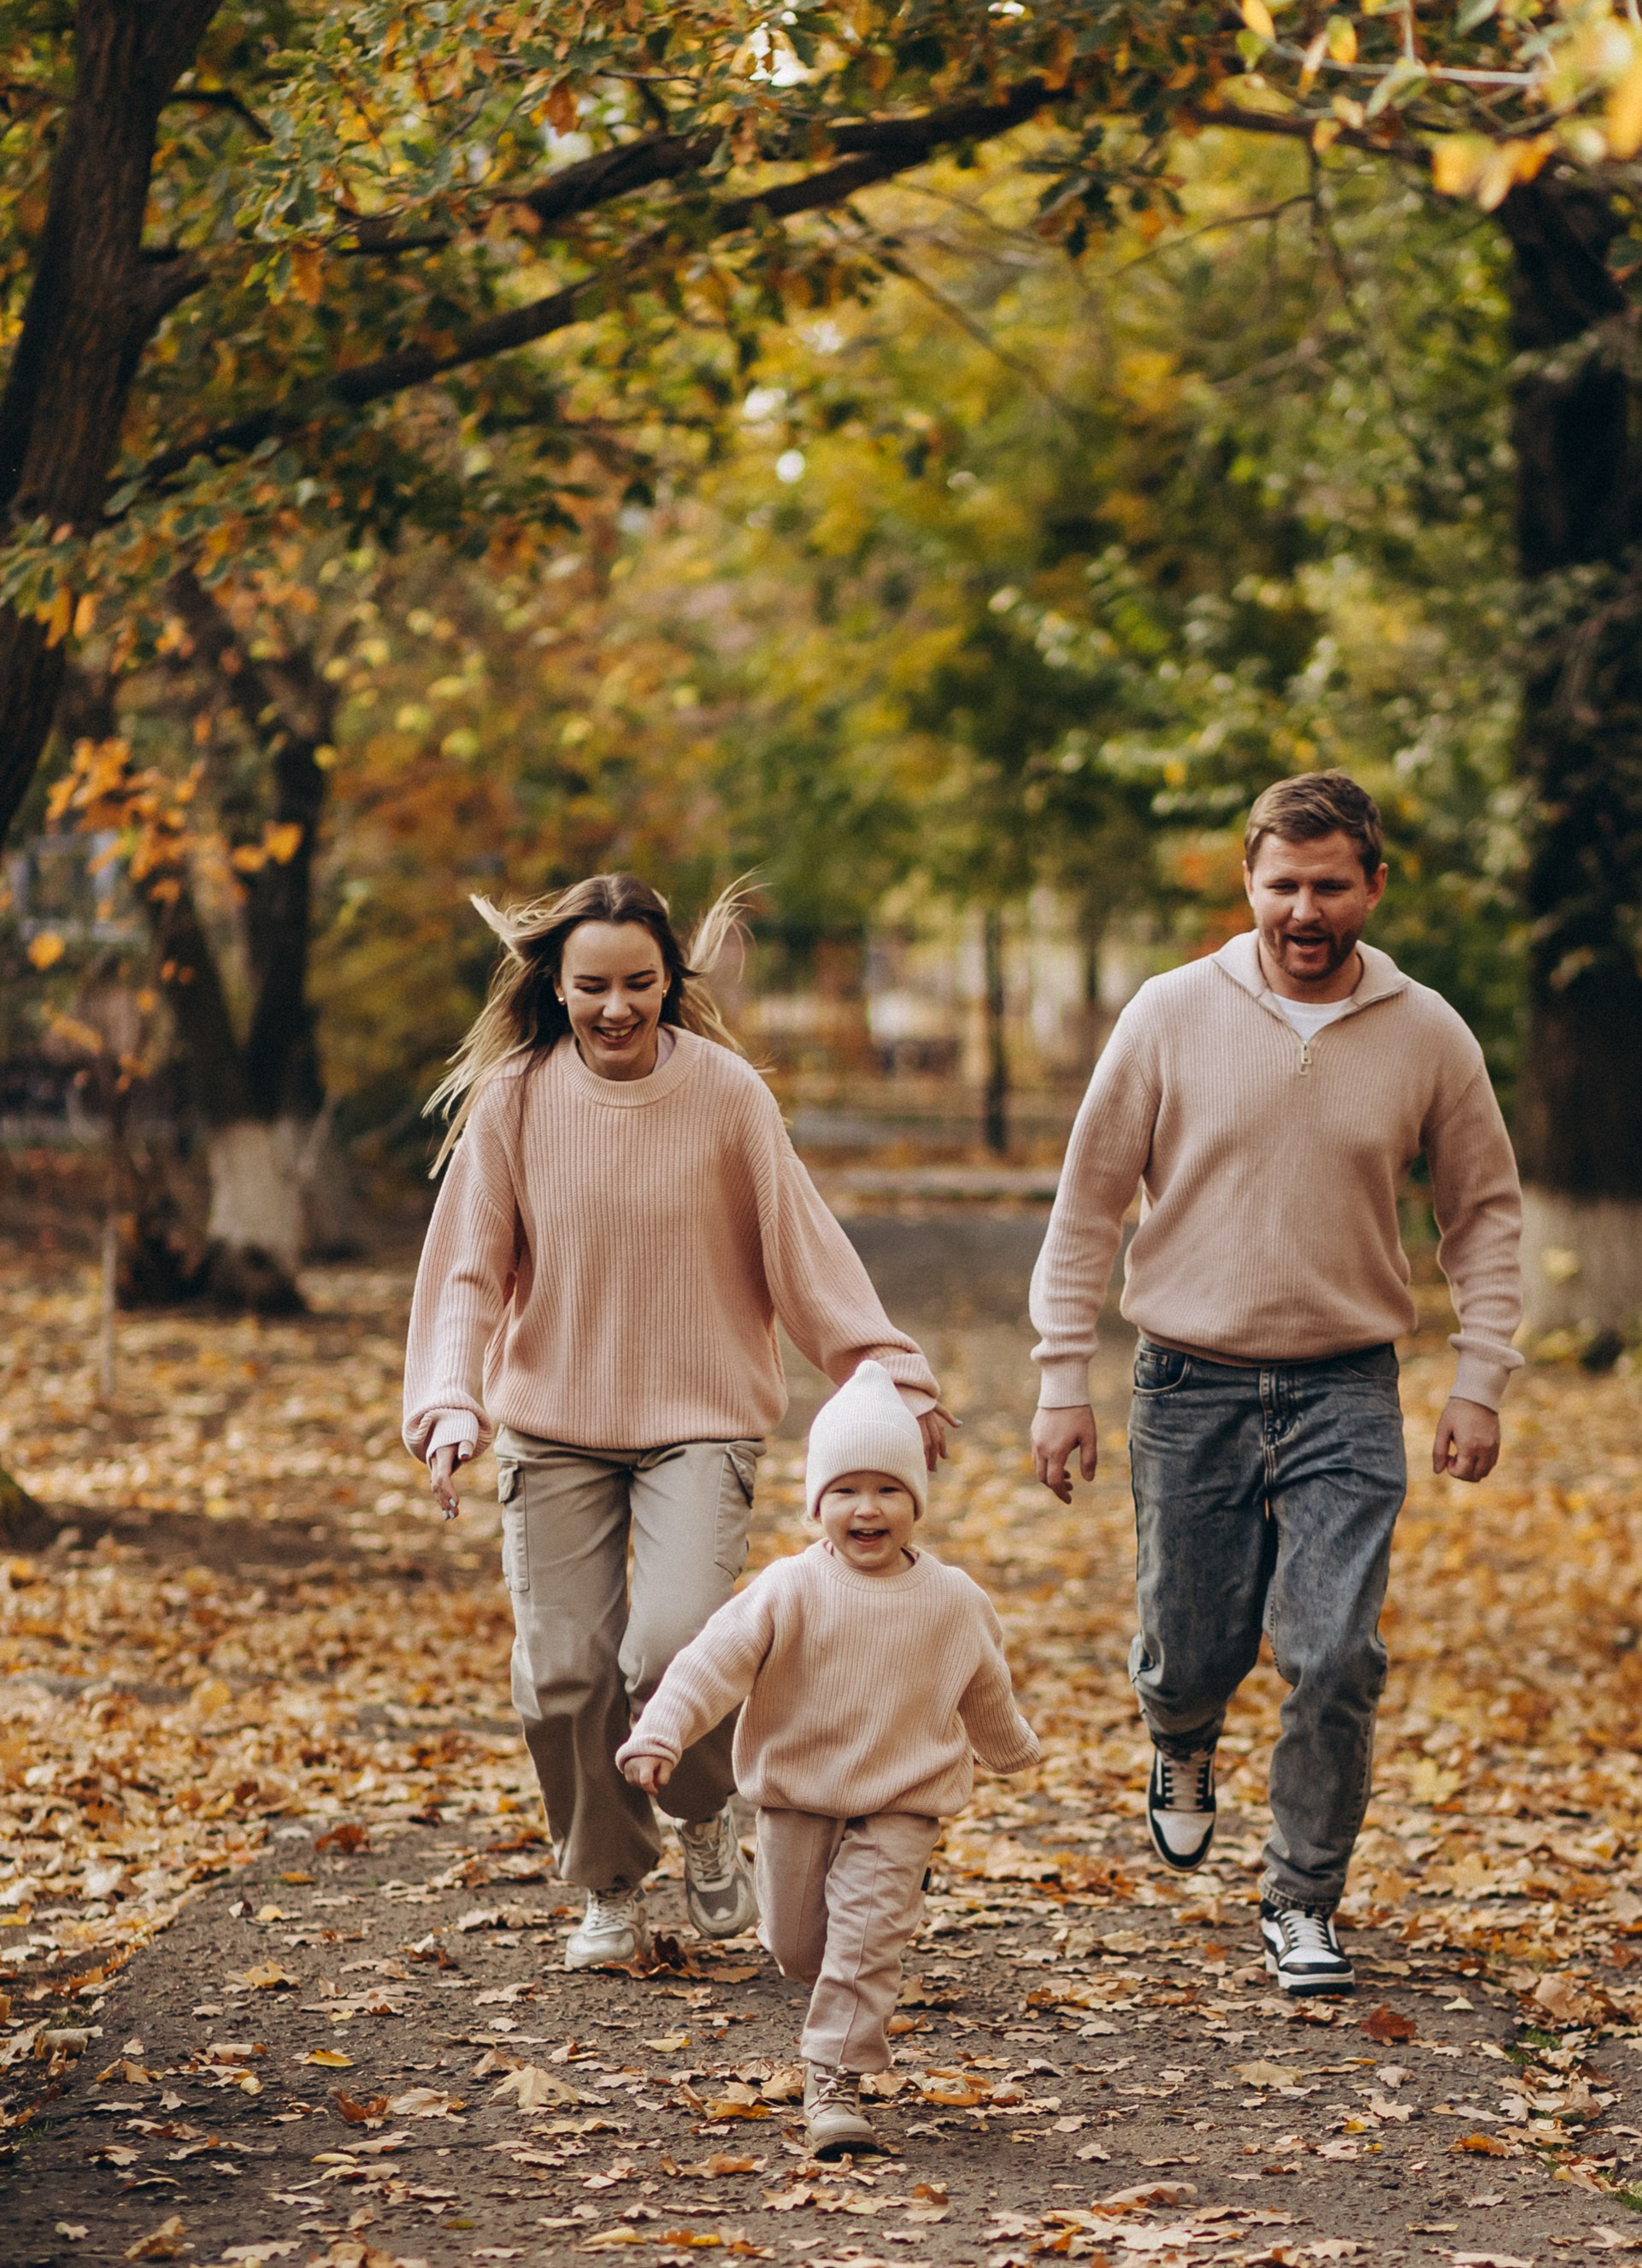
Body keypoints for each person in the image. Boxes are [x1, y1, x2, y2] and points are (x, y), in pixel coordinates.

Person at [1027, 770, 1521, 1997]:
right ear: (1248, 880)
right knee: (1192, 1652)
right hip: (1188, 1380)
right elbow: (1090, 1202)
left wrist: (1480, 1377)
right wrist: (1059, 1377)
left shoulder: (1428, 1033)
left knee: (1336, 1653)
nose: (1305, 910)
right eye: (1282, 885)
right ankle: (1181, 1737)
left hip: (1347, 1385)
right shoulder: (1168, 1013)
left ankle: (1303, 1900)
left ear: (1374, 886)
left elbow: (1485, 1216)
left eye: (1331, 886)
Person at [403, 874, 946, 1973]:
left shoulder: (726, 1094)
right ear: (555, 987)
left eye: (639, 984)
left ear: (670, 983)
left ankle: (705, 1815)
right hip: (554, 1422)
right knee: (563, 1671)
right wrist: (450, 1398)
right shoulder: (513, 1099)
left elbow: (800, 1248)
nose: (616, 1008)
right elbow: (467, 1271)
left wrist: (887, 1370)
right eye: (591, 986)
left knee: (672, 1645)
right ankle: (608, 1884)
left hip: (699, 1417)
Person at [618, 1360, 1039, 2155]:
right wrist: (662, 1732)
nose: (867, 1508)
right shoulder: (789, 1589)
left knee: (865, 1940)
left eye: (888, 1489)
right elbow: (711, 1662)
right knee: (797, 1947)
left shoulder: (954, 1600)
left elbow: (983, 1684)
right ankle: (833, 1987)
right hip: (796, 1794)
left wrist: (1010, 1747)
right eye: (845, 1490)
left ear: (915, 1501)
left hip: (904, 1796)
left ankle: (834, 2082)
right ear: (819, 1504)